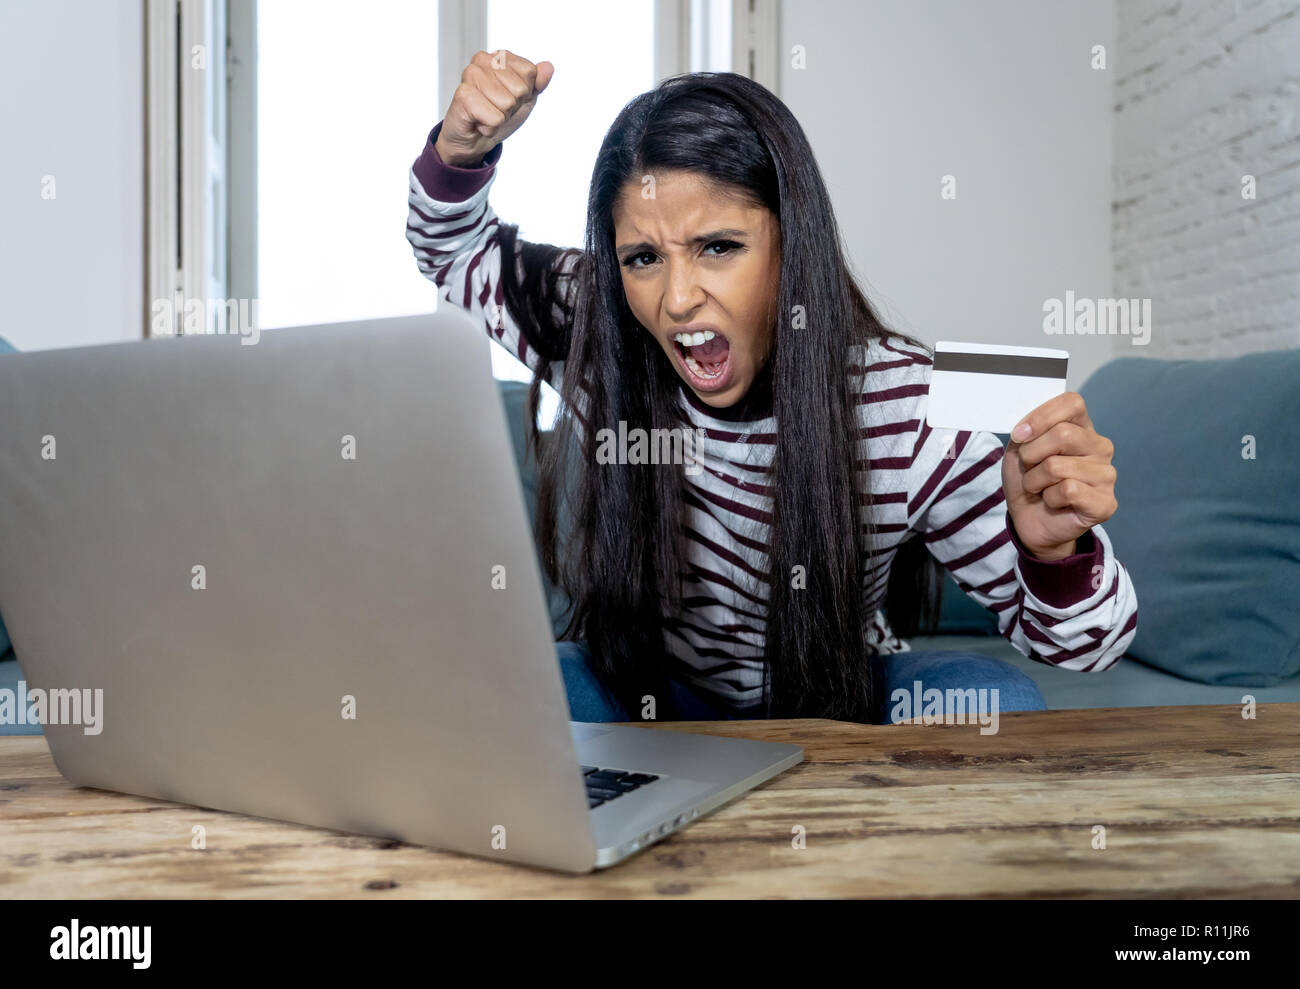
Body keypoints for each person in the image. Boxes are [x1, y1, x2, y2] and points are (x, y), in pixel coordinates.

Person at [405, 51, 1138, 726]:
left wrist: (1055, 552)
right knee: (533, 679)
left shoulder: (910, 403)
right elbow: (451, 248)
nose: (677, 298)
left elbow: (1089, 647)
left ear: (793, 243)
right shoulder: (604, 330)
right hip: (658, 696)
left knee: (1000, 700)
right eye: (643, 258)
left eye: (719, 247)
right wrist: (459, 154)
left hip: (843, 694)